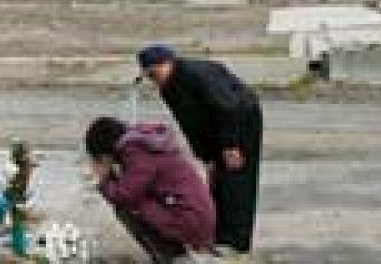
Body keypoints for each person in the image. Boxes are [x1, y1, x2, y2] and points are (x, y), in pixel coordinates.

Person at [136, 45, 263, 262]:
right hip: (214, 126)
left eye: (154, 74)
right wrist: (206, 156)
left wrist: (231, 145)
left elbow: (229, 107)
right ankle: (219, 237)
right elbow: (188, 124)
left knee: (237, 181)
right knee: (217, 181)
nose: (152, 80)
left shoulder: (197, 75)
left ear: (167, 63)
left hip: (241, 120)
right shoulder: (168, 88)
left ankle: (237, 244)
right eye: (149, 76)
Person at [86, 117, 216, 264]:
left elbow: (125, 196)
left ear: (105, 151)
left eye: (99, 157)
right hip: (198, 216)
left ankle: (171, 257)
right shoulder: (146, 142)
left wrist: (104, 180)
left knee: (126, 208)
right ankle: (174, 252)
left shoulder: (137, 152)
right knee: (139, 201)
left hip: (189, 219)